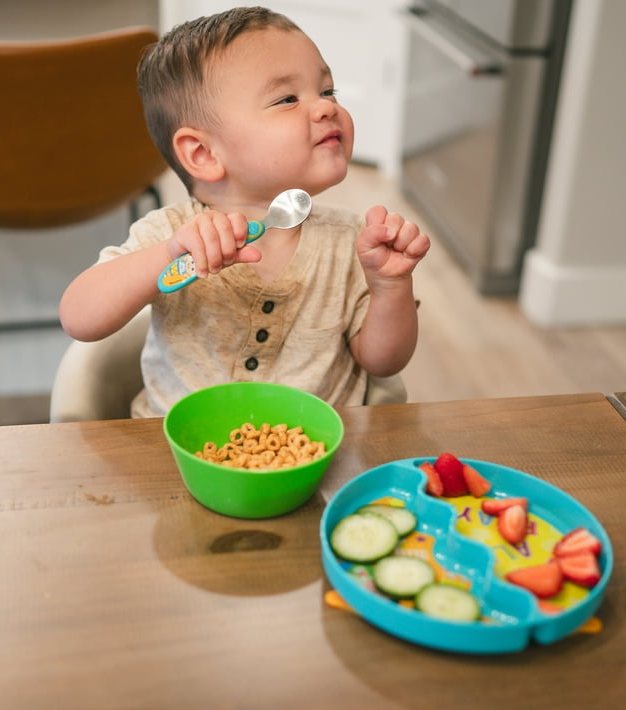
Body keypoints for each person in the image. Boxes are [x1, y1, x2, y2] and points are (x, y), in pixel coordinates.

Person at [59, 6, 430, 417]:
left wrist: (390, 287)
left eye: (327, 91)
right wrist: (166, 256)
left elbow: (383, 363)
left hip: (316, 462)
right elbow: (80, 317)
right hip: (174, 458)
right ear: (203, 153)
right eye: (287, 98)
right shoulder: (171, 232)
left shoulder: (352, 242)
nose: (325, 108)